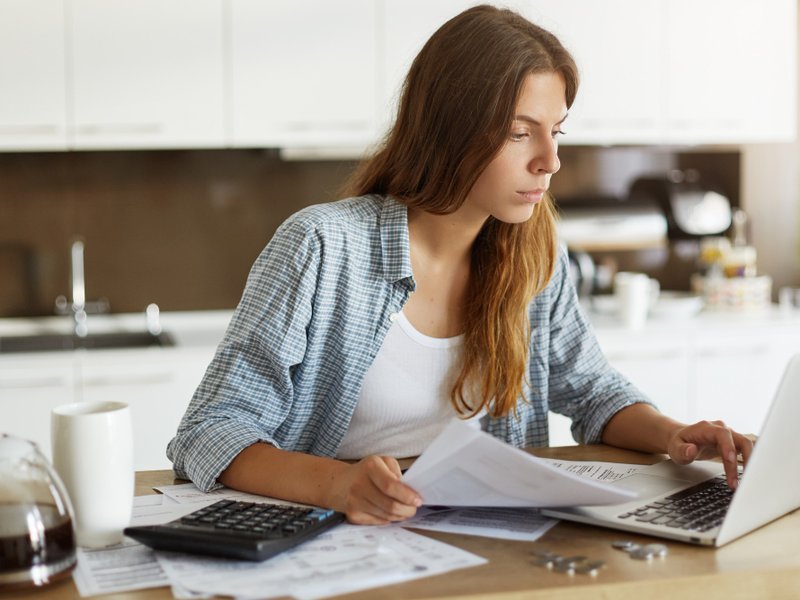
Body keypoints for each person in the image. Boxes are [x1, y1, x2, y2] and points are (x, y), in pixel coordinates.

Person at [167, 4, 753, 525]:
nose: (550, 161)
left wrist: (673, 434)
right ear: (450, 132)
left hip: (493, 539)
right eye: (521, 134)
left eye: (556, 132)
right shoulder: (321, 246)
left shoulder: (536, 252)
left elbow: (591, 389)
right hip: (345, 536)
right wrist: (341, 485)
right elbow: (211, 431)